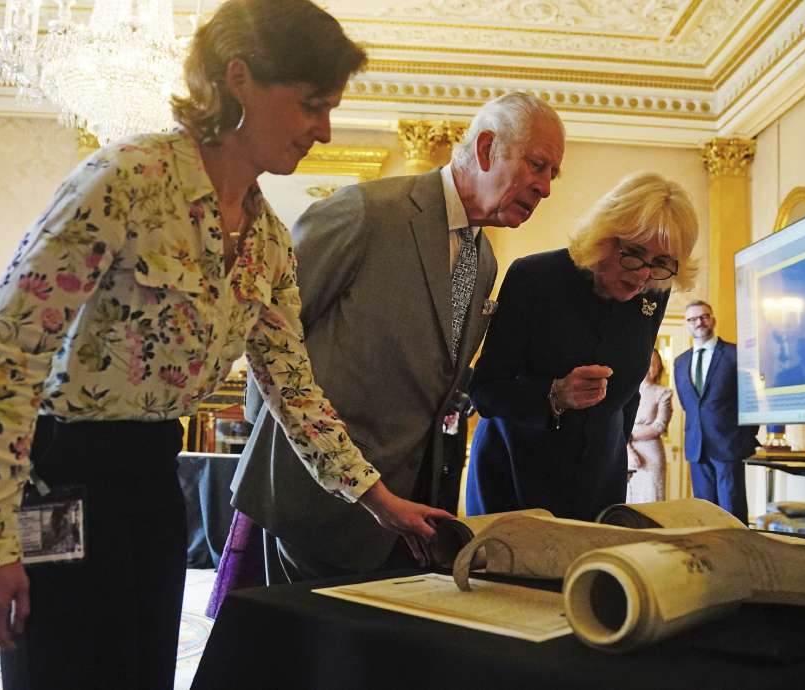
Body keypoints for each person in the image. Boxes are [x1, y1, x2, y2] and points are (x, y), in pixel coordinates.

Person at [0, 1, 446, 687]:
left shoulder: (268, 238)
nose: (323, 132)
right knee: (57, 673)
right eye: (311, 106)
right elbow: (1, 358)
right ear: (239, 78)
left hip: (154, 483)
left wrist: (378, 500)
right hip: (60, 476)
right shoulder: (126, 178)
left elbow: (293, 391)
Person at [230, 92, 564, 583]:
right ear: (487, 147)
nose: (546, 189)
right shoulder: (366, 212)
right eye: (538, 165)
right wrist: (278, 454)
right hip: (313, 506)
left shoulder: (485, 260)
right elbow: (271, 336)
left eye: (553, 175)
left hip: (405, 518)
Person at [465, 172, 699, 521]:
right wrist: (555, 394)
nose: (641, 275)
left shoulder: (653, 291)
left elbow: (629, 392)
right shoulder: (536, 277)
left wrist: (617, 447)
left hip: (599, 477)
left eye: (661, 263)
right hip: (515, 468)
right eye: (632, 254)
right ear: (605, 237)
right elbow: (485, 391)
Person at [673, 300, 758, 523]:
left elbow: (751, 400)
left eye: (704, 316)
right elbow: (688, 404)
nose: (698, 322)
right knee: (704, 511)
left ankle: (737, 555)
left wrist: (744, 439)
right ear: (687, 325)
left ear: (713, 319)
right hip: (696, 446)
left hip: (729, 445)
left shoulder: (735, 355)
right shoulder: (680, 362)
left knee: (732, 511)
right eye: (692, 319)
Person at [626, 350, 673, 504]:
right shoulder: (627, 392)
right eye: (647, 362)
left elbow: (659, 426)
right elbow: (620, 425)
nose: (649, 367)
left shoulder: (663, 393)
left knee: (651, 501)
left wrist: (630, 435)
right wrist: (629, 450)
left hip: (651, 455)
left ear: (658, 367)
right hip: (625, 452)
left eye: (654, 364)